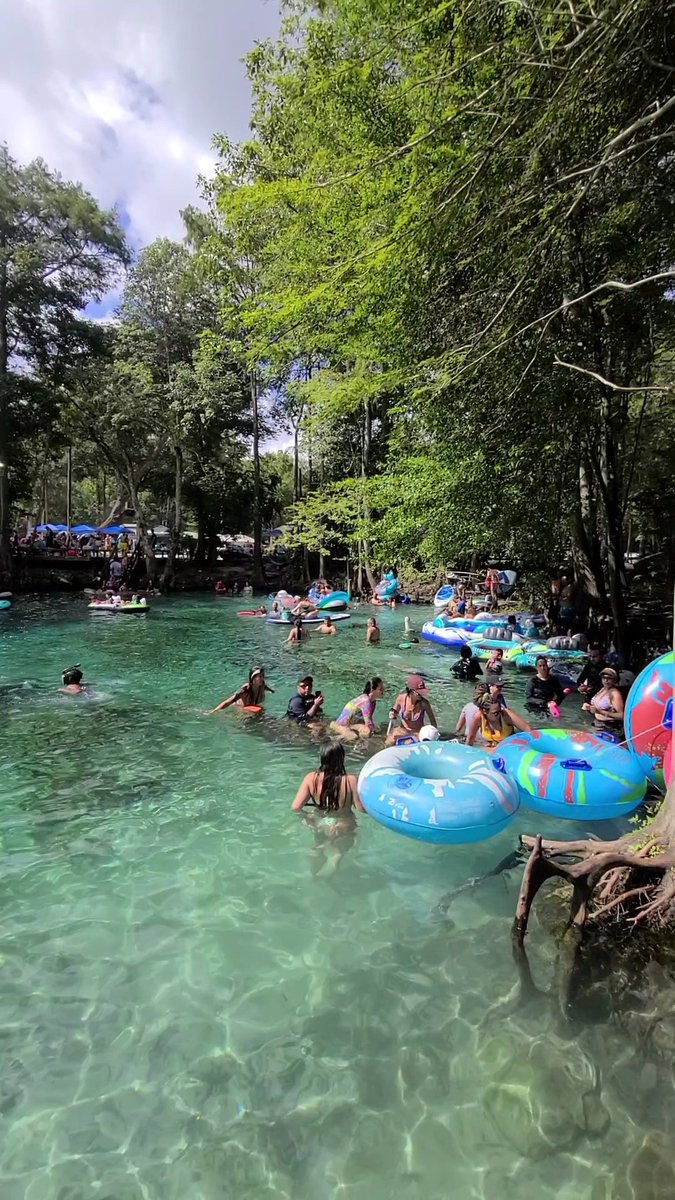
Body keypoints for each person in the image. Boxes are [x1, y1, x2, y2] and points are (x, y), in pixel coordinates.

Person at [291, 739, 365, 815]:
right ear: (342, 758)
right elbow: (361, 808)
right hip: (343, 823)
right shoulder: (351, 780)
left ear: (322, 758)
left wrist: (309, 819)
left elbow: (296, 807)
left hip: (319, 820)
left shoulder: (310, 778)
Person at [466, 681, 530, 747]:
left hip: (510, 747)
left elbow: (529, 731)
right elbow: (470, 739)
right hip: (493, 748)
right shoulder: (478, 717)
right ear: (485, 712)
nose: (499, 714)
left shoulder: (506, 715)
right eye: (495, 713)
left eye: (499, 710)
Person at [387, 674, 438, 744]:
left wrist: (432, 735)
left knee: (410, 743)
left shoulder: (424, 704)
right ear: (411, 691)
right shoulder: (401, 698)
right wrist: (392, 713)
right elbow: (394, 712)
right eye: (419, 693)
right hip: (403, 730)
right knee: (389, 741)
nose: (422, 695)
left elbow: (433, 722)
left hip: (417, 733)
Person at [206, 667, 274, 714]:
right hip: (240, 710)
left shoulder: (262, 685)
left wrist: (271, 690)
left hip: (252, 709)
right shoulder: (245, 690)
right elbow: (229, 701)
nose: (262, 678)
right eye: (260, 676)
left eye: (263, 676)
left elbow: (266, 688)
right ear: (253, 678)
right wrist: (214, 711)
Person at [583, 667, 625, 733]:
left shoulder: (614, 693)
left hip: (608, 727)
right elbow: (596, 707)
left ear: (614, 680)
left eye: (609, 678)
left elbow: (621, 715)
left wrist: (600, 711)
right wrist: (588, 707)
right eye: (604, 678)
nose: (606, 680)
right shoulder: (603, 689)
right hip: (596, 723)